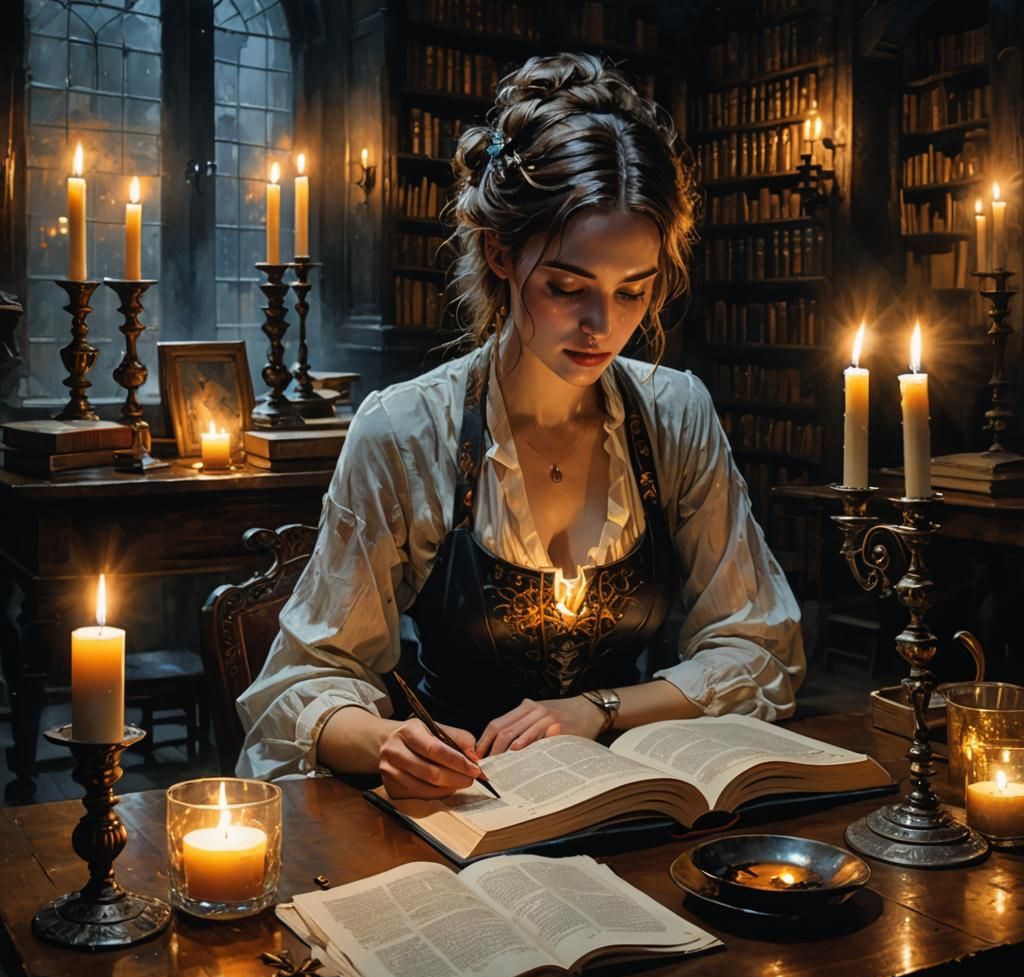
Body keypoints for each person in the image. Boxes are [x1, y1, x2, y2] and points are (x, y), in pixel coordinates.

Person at [236, 53, 805, 797]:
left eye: (633, 292)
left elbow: (756, 643)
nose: (603, 327)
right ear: (502, 253)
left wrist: (596, 710)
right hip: (464, 806)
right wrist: (388, 742)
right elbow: (304, 681)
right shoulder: (409, 432)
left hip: (631, 800)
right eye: (568, 287)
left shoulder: (673, 415)